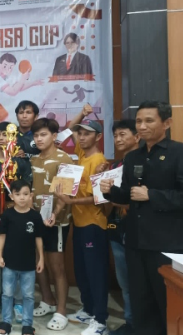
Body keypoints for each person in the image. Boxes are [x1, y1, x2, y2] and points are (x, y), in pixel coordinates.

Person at [101, 101, 183, 335]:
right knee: (141, 299)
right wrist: (110, 191)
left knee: (167, 300)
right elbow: (129, 194)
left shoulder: (181, 152)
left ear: (166, 123)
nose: (142, 126)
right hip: (136, 241)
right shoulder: (133, 158)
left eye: (149, 120)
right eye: (139, 121)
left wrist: (153, 195)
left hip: (167, 243)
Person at [54, 104, 109, 335]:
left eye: (87, 133)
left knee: (96, 272)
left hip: (94, 224)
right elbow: (69, 129)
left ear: (98, 137)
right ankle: (88, 309)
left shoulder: (99, 161)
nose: (82, 137)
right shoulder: (82, 154)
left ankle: (100, 320)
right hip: (79, 223)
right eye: (81, 133)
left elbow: (99, 199)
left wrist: (70, 201)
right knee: (82, 269)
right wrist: (83, 114)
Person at [0, 122, 32, 322]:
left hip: (16, 219)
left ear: (14, 138)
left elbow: (28, 189)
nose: (2, 138)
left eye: (6, 134)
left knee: (16, 260)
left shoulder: (20, 161)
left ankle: (18, 302)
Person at [30, 118, 74, 331]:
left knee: (57, 267)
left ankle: (61, 311)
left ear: (54, 136)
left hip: (57, 221)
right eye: (36, 135)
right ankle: (48, 300)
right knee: (38, 261)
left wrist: (55, 214)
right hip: (36, 219)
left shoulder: (64, 159)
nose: (39, 139)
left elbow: (65, 193)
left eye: (43, 134)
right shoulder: (33, 160)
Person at [100, 120, 139, 335]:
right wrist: (101, 180)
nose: (118, 139)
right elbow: (104, 199)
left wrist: (118, 200)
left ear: (137, 136)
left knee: (142, 282)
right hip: (117, 227)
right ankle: (131, 323)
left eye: (123, 134)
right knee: (125, 282)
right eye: (115, 135)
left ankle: (147, 326)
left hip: (140, 230)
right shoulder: (114, 166)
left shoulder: (146, 163)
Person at [0, 179, 44, 335]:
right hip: (9, 263)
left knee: (28, 296)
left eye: (25, 194)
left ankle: (27, 324)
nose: (22, 197)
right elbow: (2, 236)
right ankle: (6, 322)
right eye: (18, 194)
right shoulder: (7, 215)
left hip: (29, 265)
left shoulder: (35, 217)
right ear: (12, 196)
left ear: (31, 195)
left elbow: (38, 238)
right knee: (7, 294)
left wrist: (41, 258)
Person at [0, 53, 44, 123]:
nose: (7, 69)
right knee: (6, 124)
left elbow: (19, 88)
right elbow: (13, 92)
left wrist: (33, 83)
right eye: (5, 66)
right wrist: (23, 78)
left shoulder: (8, 77)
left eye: (10, 67)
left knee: (7, 123)